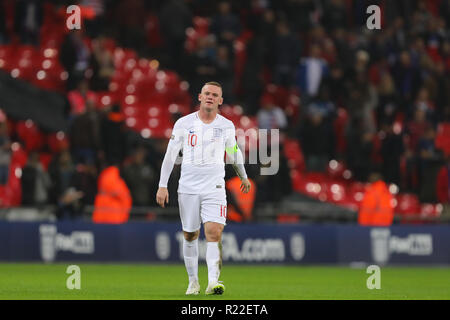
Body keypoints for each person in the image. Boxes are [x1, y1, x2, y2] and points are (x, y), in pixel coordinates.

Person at [156, 81, 251, 296]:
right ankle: (193, 282)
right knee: (190, 235)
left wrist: (243, 176)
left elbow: (234, 151)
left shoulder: (226, 125)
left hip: (215, 187)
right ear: (199, 97)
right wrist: (162, 186)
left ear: (220, 100)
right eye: (206, 93)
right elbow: (170, 156)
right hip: (188, 187)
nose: (210, 97)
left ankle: (213, 282)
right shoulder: (183, 123)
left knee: (214, 232)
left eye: (214, 94)